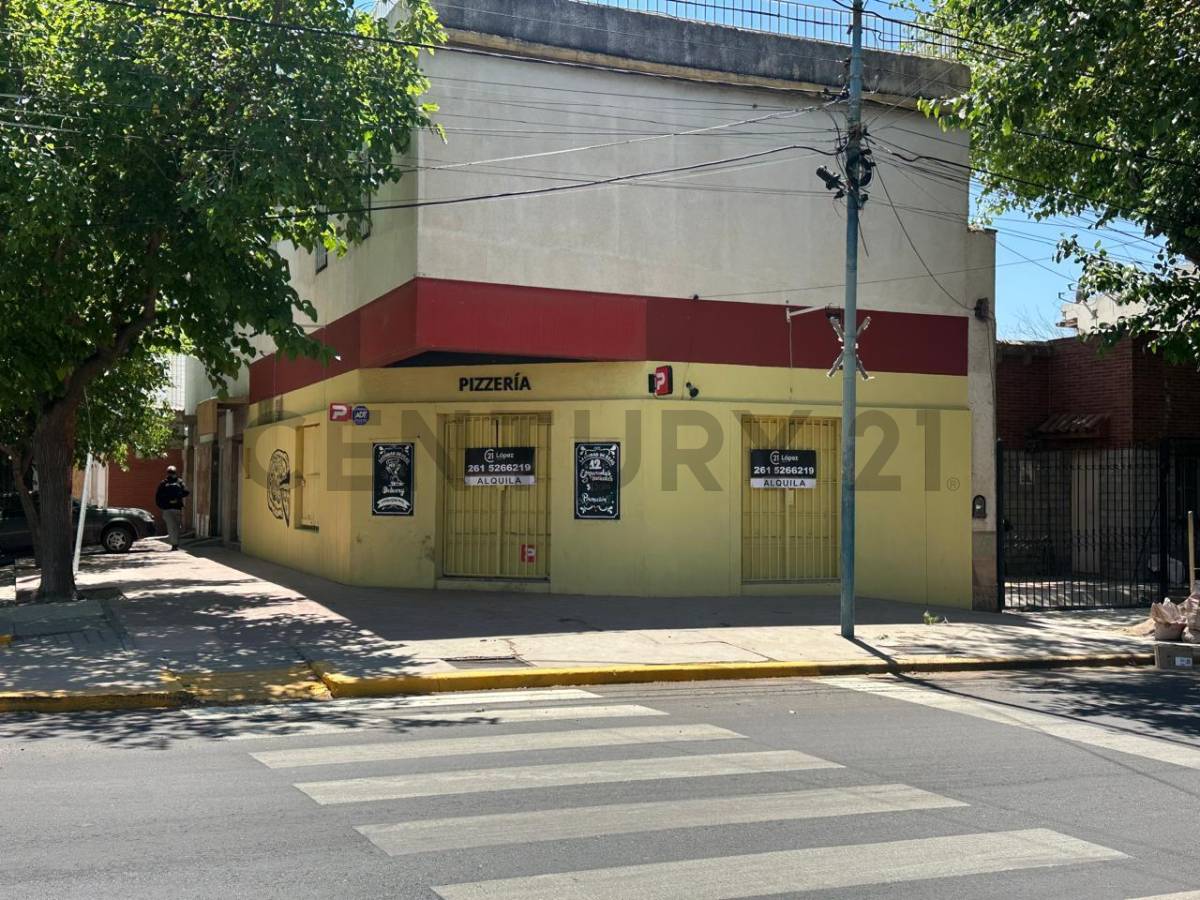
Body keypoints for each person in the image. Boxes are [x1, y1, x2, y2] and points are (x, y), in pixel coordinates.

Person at [154, 465, 190, 551]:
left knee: (176, 526)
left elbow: (186, 492)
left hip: (176, 508)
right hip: (167, 509)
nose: (171, 474)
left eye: (172, 473)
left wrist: (177, 498)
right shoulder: (163, 483)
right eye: (170, 473)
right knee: (171, 526)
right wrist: (163, 505)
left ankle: (176, 543)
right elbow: (158, 496)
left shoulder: (180, 482)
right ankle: (174, 544)